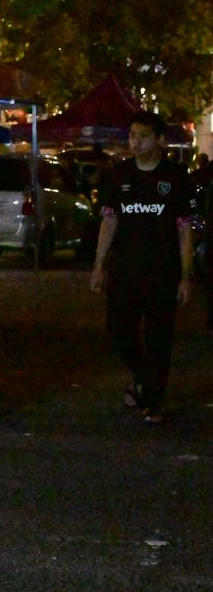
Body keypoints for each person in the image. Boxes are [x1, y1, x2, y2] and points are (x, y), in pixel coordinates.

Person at [90, 111, 197, 425]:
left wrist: (186, 275)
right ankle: (142, 376)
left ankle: (152, 401)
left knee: (159, 338)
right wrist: (99, 264)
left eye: (143, 136)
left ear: (160, 140)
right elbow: (109, 221)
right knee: (118, 329)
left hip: (163, 272)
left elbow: (185, 230)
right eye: (132, 135)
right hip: (125, 270)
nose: (135, 142)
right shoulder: (119, 174)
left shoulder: (176, 178)